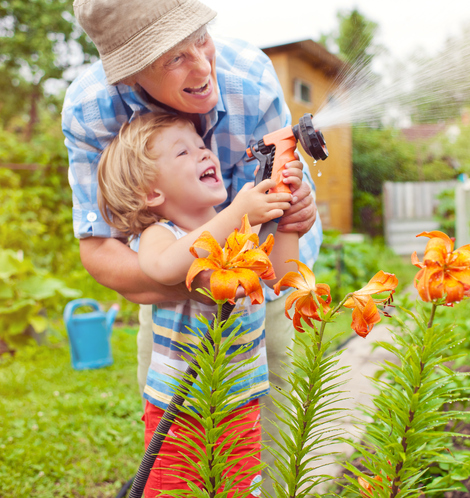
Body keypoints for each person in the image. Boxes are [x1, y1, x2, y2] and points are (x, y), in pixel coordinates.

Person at [63, 0, 322, 493]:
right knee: (176, 479)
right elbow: (143, 260)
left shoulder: (251, 79)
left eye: (202, 39)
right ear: (132, 72)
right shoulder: (161, 226)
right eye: (172, 58)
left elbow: (280, 275)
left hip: (243, 388)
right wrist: (231, 224)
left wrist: (291, 218)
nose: (205, 68)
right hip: (180, 388)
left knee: (254, 476)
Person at [96, 112, 300, 496]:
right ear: (153, 193)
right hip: (180, 410)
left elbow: (279, 274)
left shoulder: (242, 230)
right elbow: (162, 267)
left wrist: (286, 219)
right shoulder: (160, 234)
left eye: (203, 146)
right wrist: (238, 214)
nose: (205, 153)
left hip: (240, 404)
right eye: (184, 152)